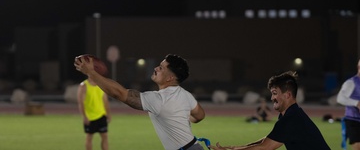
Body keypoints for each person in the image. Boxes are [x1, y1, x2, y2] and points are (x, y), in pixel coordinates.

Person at [74, 54, 206, 150]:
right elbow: (200, 115)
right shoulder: (185, 94)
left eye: (161, 68)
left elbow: (119, 93)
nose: (156, 68)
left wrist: (91, 72)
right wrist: (178, 115)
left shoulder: (158, 100)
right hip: (194, 146)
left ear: (170, 77)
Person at [210, 71, 331, 150]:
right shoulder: (290, 114)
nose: (272, 98)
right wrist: (233, 148)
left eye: (275, 93)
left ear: (287, 95)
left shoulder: (291, 118)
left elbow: (265, 147)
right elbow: (267, 140)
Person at [77, 77, 111, 150]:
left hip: (102, 115)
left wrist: (108, 114)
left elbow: (105, 101)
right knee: (89, 137)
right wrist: (84, 116)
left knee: (105, 136)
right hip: (90, 117)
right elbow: (81, 103)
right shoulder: (84, 86)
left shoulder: (101, 85)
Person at [336, 59, 360, 150]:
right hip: (353, 120)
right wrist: (356, 103)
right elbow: (340, 98)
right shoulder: (351, 82)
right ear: (358, 68)